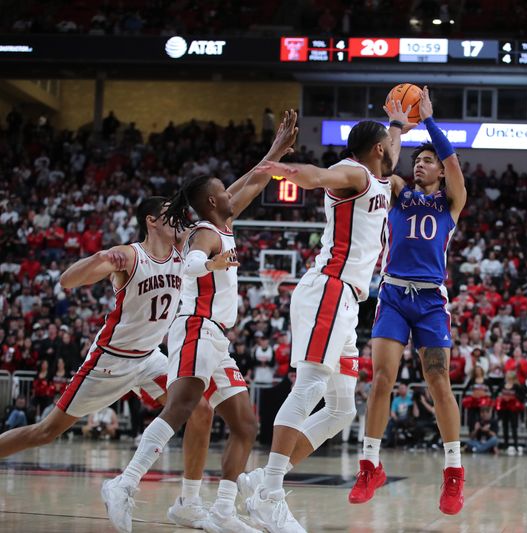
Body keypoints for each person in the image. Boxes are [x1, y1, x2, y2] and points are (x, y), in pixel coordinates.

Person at [101, 110, 299, 533]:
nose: (231, 191)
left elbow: (256, 179)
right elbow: (190, 264)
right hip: (194, 326)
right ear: (213, 200)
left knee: (246, 425)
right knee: (183, 407)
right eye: (223, 190)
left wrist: (277, 150)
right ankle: (124, 483)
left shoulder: (223, 222)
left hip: (216, 338)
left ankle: (223, 512)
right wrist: (212, 265)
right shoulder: (204, 233)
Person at [0, 197, 215, 531]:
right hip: (110, 360)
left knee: (201, 411)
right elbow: (67, 281)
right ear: (151, 221)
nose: (178, 221)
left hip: (148, 358)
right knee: (45, 431)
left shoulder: (185, 254)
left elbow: (221, 203)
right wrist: (99, 259)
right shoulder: (129, 255)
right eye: (170, 216)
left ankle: (188, 502)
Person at [245, 105, 412, 532]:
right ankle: (269, 495)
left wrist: (399, 123)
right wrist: (277, 165)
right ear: (376, 149)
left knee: (341, 411)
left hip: (347, 300)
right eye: (389, 144)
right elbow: (315, 176)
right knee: (311, 385)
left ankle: (264, 480)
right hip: (329, 289)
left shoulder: (378, 176)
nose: (395, 148)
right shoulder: (353, 173)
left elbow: (392, 146)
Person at [349, 86, 468, 515]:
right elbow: (384, 163)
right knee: (381, 378)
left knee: (438, 380)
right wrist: (397, 123)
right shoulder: (397, 191)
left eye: (427, 160)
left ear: (438, 169)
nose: (420, 164)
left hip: (432, 300)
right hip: (395, 294)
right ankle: (369, 464)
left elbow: (453, 162)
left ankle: (453, 473)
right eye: (417, 159)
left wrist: (430, 121)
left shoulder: (451, 202)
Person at [496, 370, 527, 454]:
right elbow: (496, 393)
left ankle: (515, 444)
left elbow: (522, 397)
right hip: (504, 408)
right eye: (507, 378)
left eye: (510, 378)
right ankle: (506, 444)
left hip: (513, 409)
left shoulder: (517, 386)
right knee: (505, 426)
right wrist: (501, 397)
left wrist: (512, 397)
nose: (508, 379)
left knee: (514, 427)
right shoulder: (502, 385)